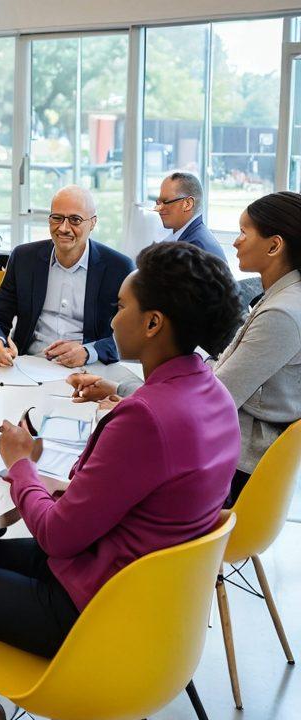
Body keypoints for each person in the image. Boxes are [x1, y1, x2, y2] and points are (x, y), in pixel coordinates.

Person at [0, 242, 241, 720]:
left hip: (87, 609)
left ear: (155, 323)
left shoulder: (146, 419)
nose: (113, 320)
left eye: (121, 307)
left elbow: (54, 535)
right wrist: (118, 400)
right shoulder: (210, 394)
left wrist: (20, 462)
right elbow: (161, 465)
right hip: (143, 599)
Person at [69, 192, 301, 507]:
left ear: (274, 245)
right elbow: (213, 379)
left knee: (102, 462)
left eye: (244, 233)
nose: (235, 242)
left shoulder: (282, 313)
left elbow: (206, 403)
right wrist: (122, 388)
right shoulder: (281, 298)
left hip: (234, 471)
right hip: (234, 451)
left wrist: (129, 395)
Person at [0, 186, 134, 369]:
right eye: (57, 218)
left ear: (92, 223)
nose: (64, 228)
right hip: (27, 365)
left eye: (75, 220)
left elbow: (131, 336)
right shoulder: (24, 258)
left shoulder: (119, 268)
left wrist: (88, 351)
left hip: (90, 370)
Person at [154, 170, 225, 259]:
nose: (159, 208)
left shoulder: (193, 250)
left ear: (188, 204)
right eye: (159, 202)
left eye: (166, 202)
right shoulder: (185, 236)